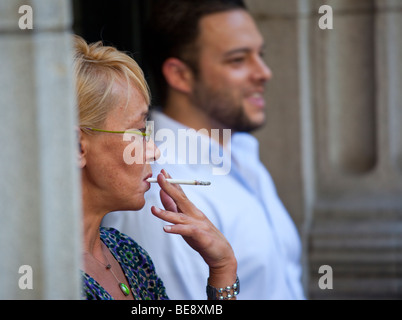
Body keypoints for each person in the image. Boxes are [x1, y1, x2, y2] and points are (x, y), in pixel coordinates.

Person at [103, 0, 305, 299]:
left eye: (259, 56)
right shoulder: (154, 190)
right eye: (238, 60)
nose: (263, 72)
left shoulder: (241, 154)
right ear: (180, 75)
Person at [73, 35, 239, 300]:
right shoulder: (44, 275)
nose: (154, 150)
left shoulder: (127, 253)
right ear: (77, 146)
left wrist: (222, 269)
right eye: (138, 131)